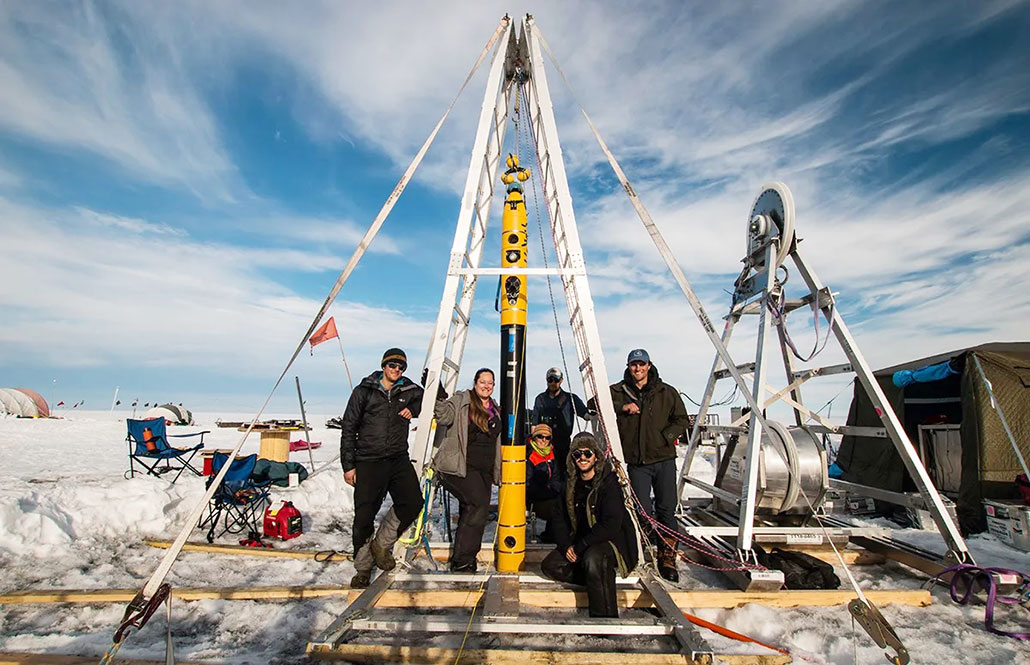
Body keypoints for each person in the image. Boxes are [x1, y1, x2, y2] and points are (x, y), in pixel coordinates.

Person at [340, 348, 428, 588]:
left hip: (397, 458)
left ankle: (380, 545)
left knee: (413, 502)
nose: (396, 370)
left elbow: (428, 398)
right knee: (364, 516)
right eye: (392, 365)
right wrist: (348, 465)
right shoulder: (364, 391)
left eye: (401, 367)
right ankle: (363, 568)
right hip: (368, 460)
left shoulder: (408, 390)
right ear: (383, 366)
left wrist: (415, 409)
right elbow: (349, 428)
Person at [609, 348, 689, 582]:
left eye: (642, 364)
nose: (638, 368)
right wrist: (622, 408)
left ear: (649, 365)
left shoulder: (666, 392)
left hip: (663, 459)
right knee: (641, 509)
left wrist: (666, 437)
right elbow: (594, 403)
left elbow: (682, 419)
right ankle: (639, 550)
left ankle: (667, 557)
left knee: (666, 509)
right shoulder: (618, 391)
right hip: (637, 462)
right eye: (634, 364)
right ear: (628, 366)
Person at [541, 432, 638, 618]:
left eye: (587, 453)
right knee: (551, 565)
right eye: (577, 454)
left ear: (596, 456)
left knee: (594, 558)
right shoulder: (570, 484)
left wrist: (580, 547)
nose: (582, 458)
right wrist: (566, 546)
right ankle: (597, 578)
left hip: (611, 541)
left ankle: (605, 618)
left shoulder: (608, 483)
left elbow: (611, 525)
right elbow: (559, 519)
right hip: (581, 540)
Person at [431, 368, 502, 572]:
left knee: (473, 509)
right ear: (475, 383)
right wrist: (438, 395)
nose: (486, 386)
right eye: (482, 382)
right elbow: (444, 417)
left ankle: (465, 557)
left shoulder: (495, 408)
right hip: (461, 467)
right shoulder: (462, 401)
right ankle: (463, 560)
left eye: (490, 382)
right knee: (478, 505)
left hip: (484, 470)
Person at [531, 367, 590, 478]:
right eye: (550, 380)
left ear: (561, 380)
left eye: (556, 380)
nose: (553, 383)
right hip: (545, 444)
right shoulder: (540, 399)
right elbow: (534, 422)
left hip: (563, 444)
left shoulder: (570, 398)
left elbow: (585, 414)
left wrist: (594, 411)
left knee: (563, 473)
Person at [526, 423, 563, 542]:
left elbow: (556, 477)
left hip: (550, 495)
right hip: (535, 500)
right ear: (534, 437)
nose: (544, 440)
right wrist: (549, 492)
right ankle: (550, 536)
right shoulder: (530, 456)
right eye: (540, 436)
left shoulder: (552, 454)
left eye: (547, 438)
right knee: (557, 508)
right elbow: (528, 485)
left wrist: (557, 490)